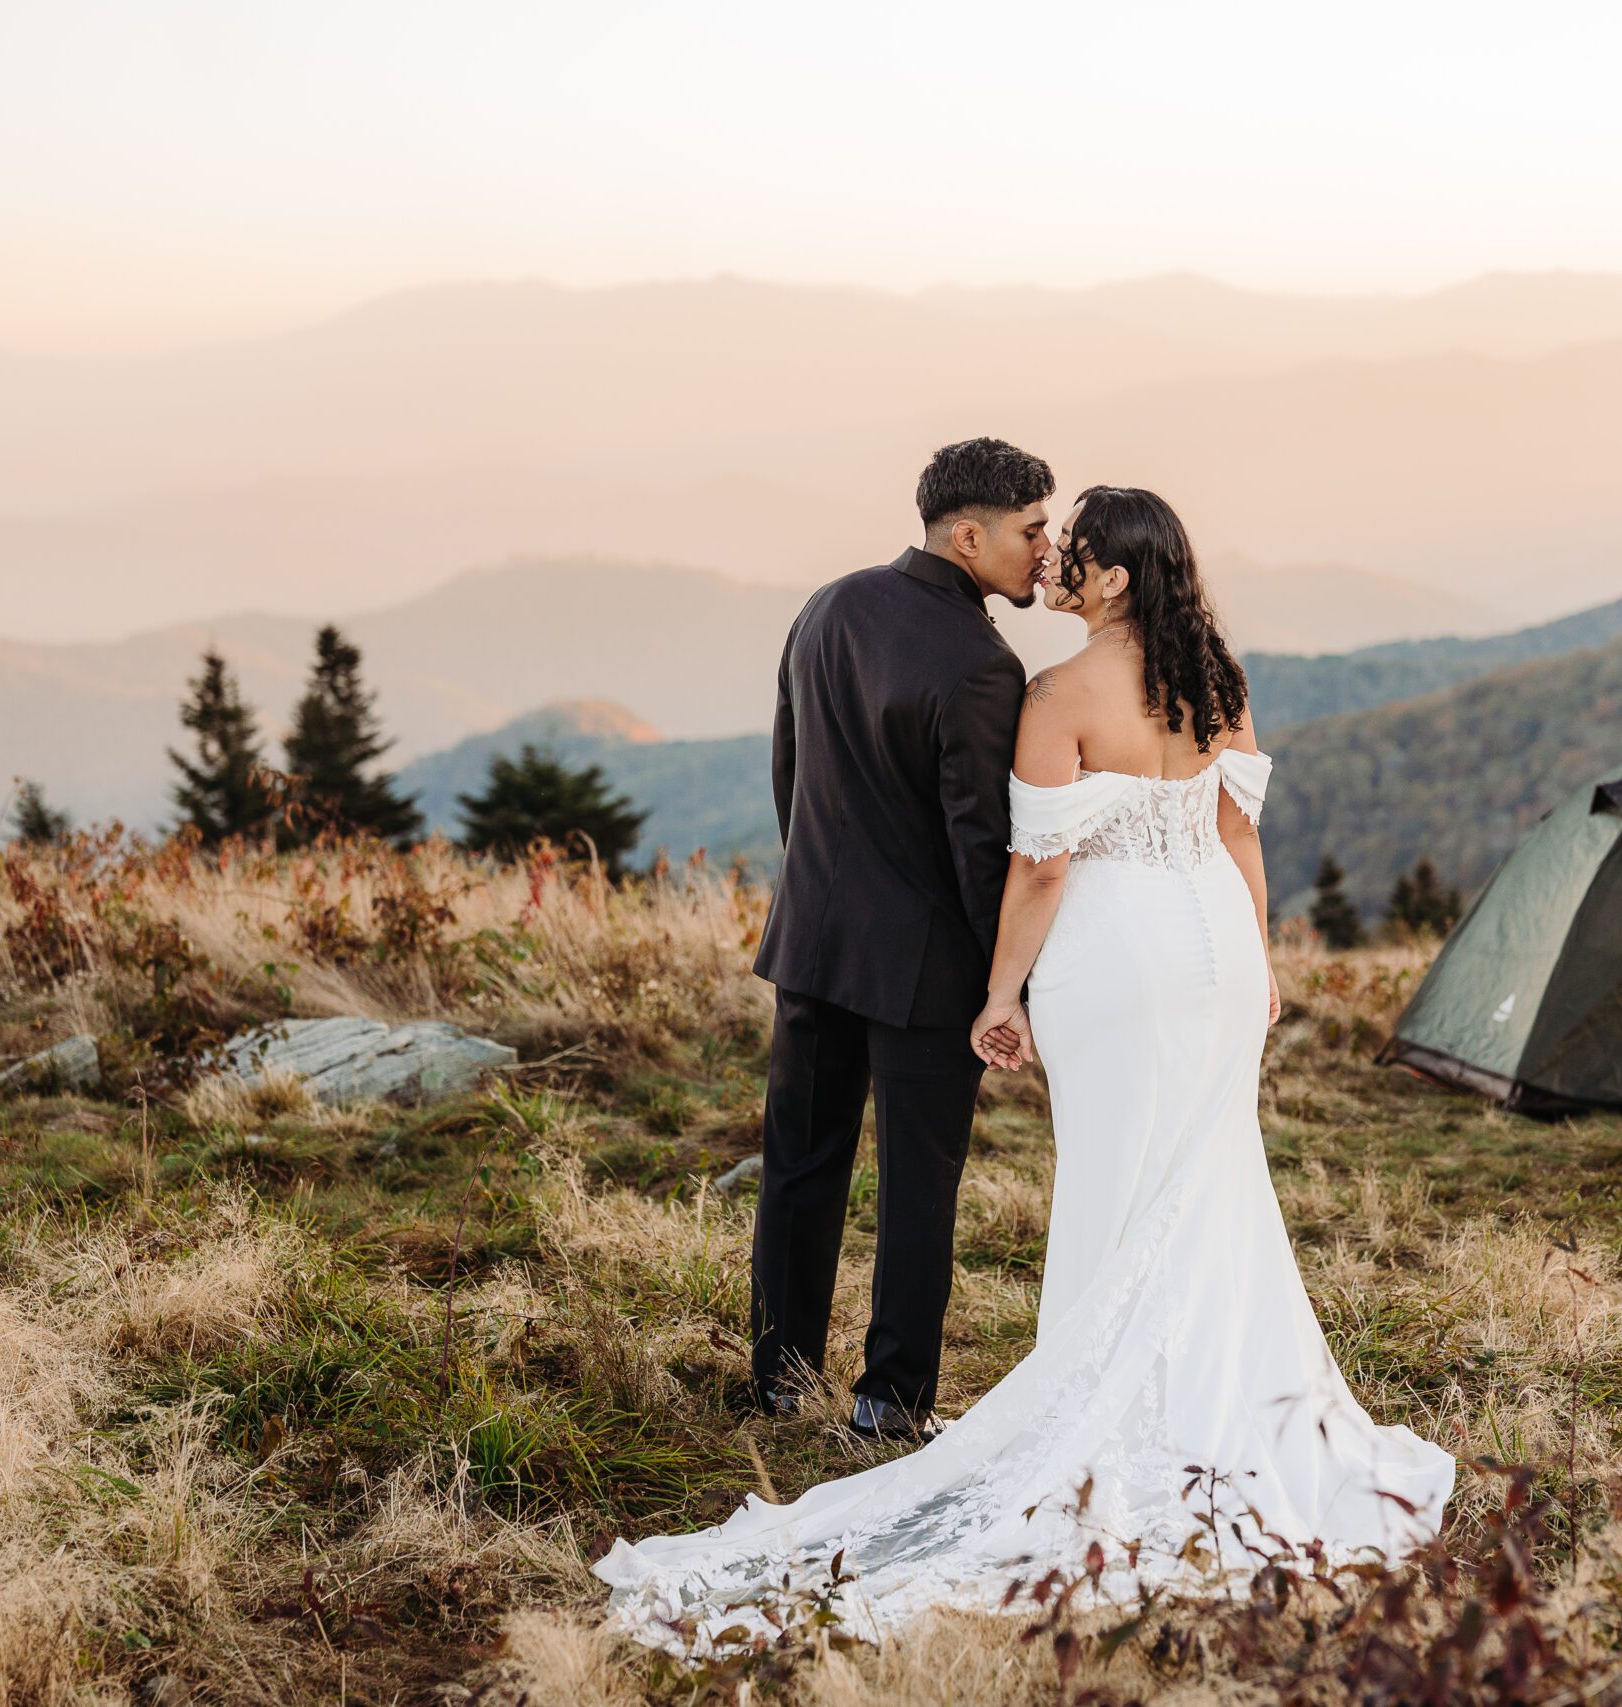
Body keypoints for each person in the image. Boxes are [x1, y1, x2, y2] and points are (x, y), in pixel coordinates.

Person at [593, 482, 1454, 1650]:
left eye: (1073, 551)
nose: (1053, 562)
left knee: (1117, 1180)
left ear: (1109, 580)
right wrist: (1258, 961)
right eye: (1042, 539)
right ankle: (1233, 1407)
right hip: (1213, 947)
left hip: (1119, 958)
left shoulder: (1057, 692)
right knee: (1209, 1176)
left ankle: (1099, 1408)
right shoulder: (1220, 683)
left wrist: (1001, 993)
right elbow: (1238, 834)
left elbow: (1041, 869)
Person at [743, 436, 1053, 1439]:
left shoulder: (828, 605)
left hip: (814, 937)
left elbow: (789, 767)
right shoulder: (979, 665)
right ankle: (888, 1400)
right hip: (924, 968)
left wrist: (817, 886)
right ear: (968, 536)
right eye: (1030, 531)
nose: (1043, 551)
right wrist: (1008, 981)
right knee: (919, 1185)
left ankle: (782, 1379)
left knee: (800, 1164)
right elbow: (979, 844)